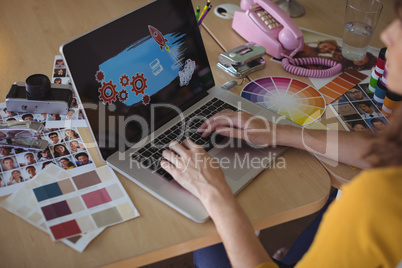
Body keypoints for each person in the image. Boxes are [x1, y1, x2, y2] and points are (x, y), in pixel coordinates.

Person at [159, 2, 402, 266]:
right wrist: (279, 133)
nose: (388, 34)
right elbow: (387, 153)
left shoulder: (380, 200)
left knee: (208, 239)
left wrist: (215, 193)